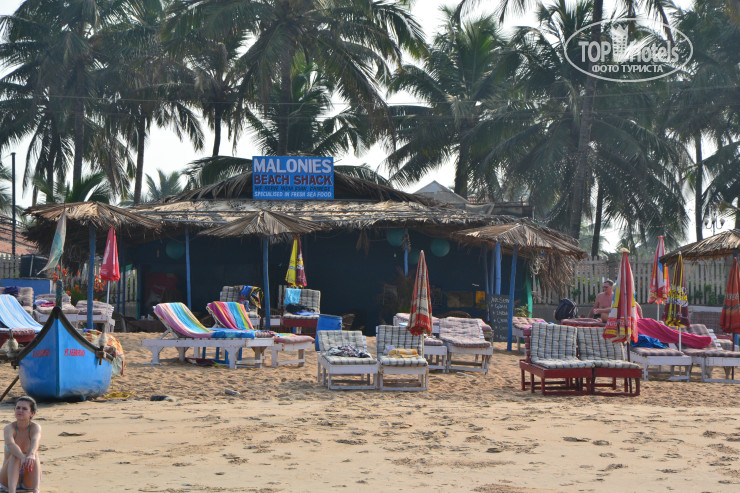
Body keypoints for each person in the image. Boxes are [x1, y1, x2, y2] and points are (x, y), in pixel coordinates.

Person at [0, 396, 42, 493]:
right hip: (8, 478)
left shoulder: (35, 427)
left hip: (29, 477)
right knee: (15, 455)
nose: (20, 410)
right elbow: (10, 444)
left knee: (34, 454)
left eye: (24, 409)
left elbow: (35, 440)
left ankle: (36, 490)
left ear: (32, 413)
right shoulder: (9, 428)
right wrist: (22, 457)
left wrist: (31, 454)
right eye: (18, 408)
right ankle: (12, 491)